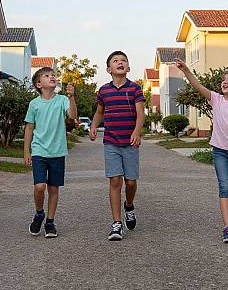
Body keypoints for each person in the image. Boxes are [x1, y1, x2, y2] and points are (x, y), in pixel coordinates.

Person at [175, 59, 228, 243]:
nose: (224, 82)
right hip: (219, 151)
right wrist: (186, 70)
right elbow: (197, 85)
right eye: (223, 79)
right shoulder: (216, 99)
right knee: (225, 187)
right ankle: (227, 227)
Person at [90, 51, 145, 241]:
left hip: (130, 142)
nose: (120, 63)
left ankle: (129, 205)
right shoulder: (104, 90)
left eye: (123, 60)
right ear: (109, 69)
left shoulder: (135, 88)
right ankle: (116, 223)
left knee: (130, 182)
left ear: (128, 67)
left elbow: (141, 113)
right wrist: (94, 126)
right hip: (111, 142)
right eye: (115, 61)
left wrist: (136, 132)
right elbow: (99, 112)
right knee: (115, 181)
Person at [24, 66, 77, 238]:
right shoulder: (34, 104)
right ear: (39, 84)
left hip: (57, 151)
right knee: (40, 186)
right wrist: (26, 151)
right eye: (47, 75)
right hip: (39, 151)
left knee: (53, 189)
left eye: (53, 75)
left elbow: (72, 116)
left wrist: (71, 97)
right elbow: (29, 128)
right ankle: (39, 213)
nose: (52, 77)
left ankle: (50, 221)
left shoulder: (62, 100)